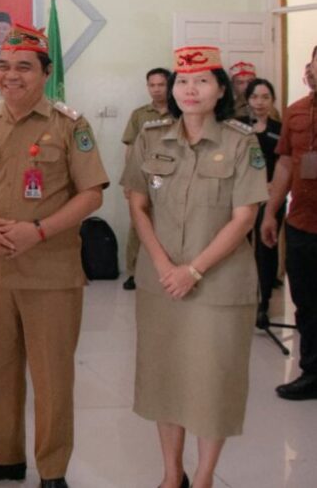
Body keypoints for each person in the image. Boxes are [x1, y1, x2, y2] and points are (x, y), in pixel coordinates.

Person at [0, 24, 108, 488]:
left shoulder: (68, 124)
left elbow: (92, 194)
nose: (10, 76)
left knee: (52, 380)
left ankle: (53, 470)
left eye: (23, 67)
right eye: (3, 66)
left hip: (51, 273)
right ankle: (4, 456)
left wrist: (39, 231)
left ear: (46, 72)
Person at [122, 46, 267, 488]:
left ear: (220, 90)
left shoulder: (242, 142)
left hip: (219, 287)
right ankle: (172, 475)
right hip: (161, 284)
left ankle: (203, 478)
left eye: (202, 81)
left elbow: (245, 218)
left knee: (212, 384)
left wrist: (194, 270)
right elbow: (137, 204)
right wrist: (166, 265)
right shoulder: (151, 137)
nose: (190, 89)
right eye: (183, 81)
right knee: (164, 379)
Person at [261, 46, 317, 401]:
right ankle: (311, 371)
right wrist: (271, 211)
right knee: (308, 302)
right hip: (302, 224)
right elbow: (283, 164)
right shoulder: (296, 113)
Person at [236, 78, 283, 328]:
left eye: (265, 97)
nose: (260, 102)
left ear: (272, 100)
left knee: (266, 250)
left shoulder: (279, 128)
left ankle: (263, 303)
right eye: (255, 97)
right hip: (242, 197)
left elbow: (285, 164)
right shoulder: (237, 126)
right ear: (248, 100)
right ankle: (241, 298)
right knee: (239, 247)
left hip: (271, 197)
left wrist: (273, 186)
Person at [121, 67, 172, 290]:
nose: (157, 89)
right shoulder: (139, 114)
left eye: (161, 84)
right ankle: (133, 271)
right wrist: (130, 180)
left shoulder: (180, 112)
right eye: (152, 85)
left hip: (172, 177)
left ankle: (166, 269)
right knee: (138, 223)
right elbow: (131, 148)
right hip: (144, 176)